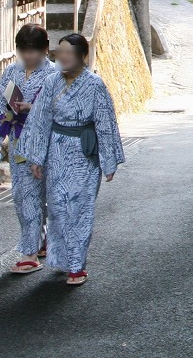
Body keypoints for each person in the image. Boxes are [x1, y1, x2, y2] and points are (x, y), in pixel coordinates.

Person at [21, 32, 125, 286]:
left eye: (70, 52)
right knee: (57, 208)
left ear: (82, 56)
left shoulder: (94, 84)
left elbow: (105, 123)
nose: (64, 56)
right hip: (57, 151)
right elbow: (40, 120)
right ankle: (62, 259)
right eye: (61, 51)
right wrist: (36, 157)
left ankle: (76, 266)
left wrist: (108, 160)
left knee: (79, 209)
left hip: (83, 153)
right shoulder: (51, 82)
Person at [0, 24, 58, 275]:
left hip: (46, 143)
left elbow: (62, 109)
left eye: (34, 51)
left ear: (46, 49)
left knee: (42, 195)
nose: (29, 56)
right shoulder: (11, 72)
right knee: (25, 194)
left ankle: (37, 245)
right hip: (17, 142)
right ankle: (34, 248)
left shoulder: (55, 74)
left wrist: (33, 109)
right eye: (24, 50)